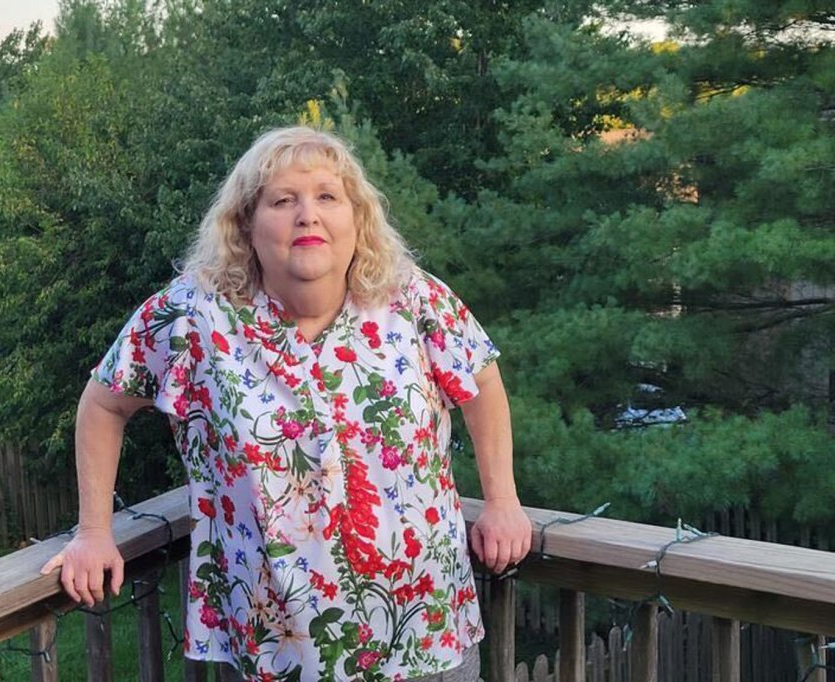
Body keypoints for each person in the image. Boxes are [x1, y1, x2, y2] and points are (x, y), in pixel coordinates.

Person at [41, 126, 532, 682]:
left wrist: (502, 500)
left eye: (328, 196)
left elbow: (483, 381)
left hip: (423, 633)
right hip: (269, 650)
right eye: (282, 200)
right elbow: (104, 404)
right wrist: (94, 532)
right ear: (246, 224)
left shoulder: (411, 297)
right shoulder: (192, 315)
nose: (308, 214)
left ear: (357, 218)